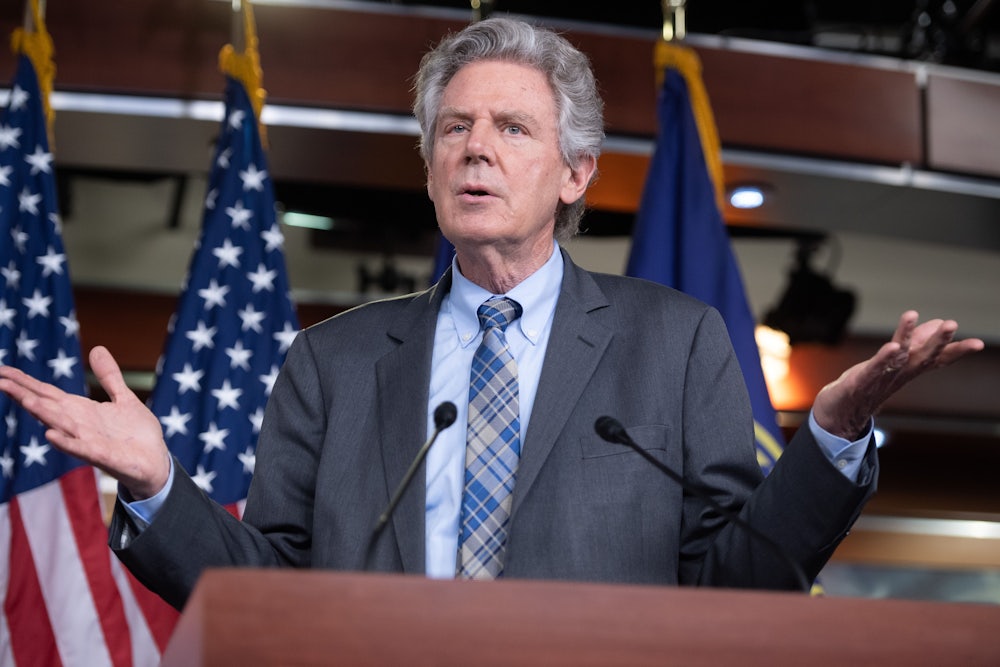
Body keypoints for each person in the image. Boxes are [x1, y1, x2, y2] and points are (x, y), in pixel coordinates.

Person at [0, 17, 984, 611]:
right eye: (455, 129)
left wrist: (832, 434)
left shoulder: (675, 342)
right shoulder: (329, 362)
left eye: (512, 128)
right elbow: (263, 584)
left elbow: (738, 576)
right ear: (429, 167)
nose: (477, 149)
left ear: (574, 173)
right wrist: (161, 482)